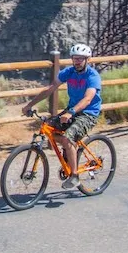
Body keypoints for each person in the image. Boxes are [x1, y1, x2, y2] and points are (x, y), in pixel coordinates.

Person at [22, 43, 102, 189]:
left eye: (80, 59)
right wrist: (29, 105)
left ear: (87, 60)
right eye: (74, 58)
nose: (77, 62)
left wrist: (71, 112)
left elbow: (88, 99)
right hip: (71, 110)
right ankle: (68, 155)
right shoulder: (69, 72)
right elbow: (50, 89)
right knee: (50, 130)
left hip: (88, 113)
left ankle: (74, 176)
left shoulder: (92, 76)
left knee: (67, 138)